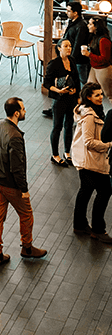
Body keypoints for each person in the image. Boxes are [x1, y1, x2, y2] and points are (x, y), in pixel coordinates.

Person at [0, 97, 47, 266]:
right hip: (10, 184)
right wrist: (24, 189)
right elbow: (17, 168)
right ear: (16, 113)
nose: (25, 111)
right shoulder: (15, 136)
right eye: (23, 109)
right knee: (26, 214)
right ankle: (27, 247)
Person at [71, 83, 112, 241]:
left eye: (101, 94)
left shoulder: (93, 111)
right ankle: (98, 229)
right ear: (88, 97)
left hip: (86, 160)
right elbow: (89, 141)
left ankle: (79, 225)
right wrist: (108, 145)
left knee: (86, 190)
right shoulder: (89, 116)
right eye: (97, 95)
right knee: (105, 191)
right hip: (90, 161)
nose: (101, 97)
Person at [44, 39, 79, 166]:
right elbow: (47, 83)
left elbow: (76, 79)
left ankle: (67, 152)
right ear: (59, 48)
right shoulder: (54, 64)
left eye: (70, 46)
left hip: (71, 99)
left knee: (69, 125)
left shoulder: (72, 61)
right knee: (57, 127)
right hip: (59, 100)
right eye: (66, 46)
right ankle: (55, 155)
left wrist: (76, 91)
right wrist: (59, 90)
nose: (69, 48)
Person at [82, 17, 112, 102]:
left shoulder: (103, 40)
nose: (88, 26)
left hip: (104, 70)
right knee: (88, 92)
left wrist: (89, 55)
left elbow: (105, 59)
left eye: (90, 24)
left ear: (96, 26)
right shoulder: (94, 37)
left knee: (109, 95)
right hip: (94, 68)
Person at [62, 1, 90, 85]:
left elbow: (78, 44)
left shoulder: (81, 26)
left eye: (69, 11)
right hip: (74, 59)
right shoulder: (73, 22)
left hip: (79, 60)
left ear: (75, 13)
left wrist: (71, 59)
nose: (66, 13)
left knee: (82, 81)